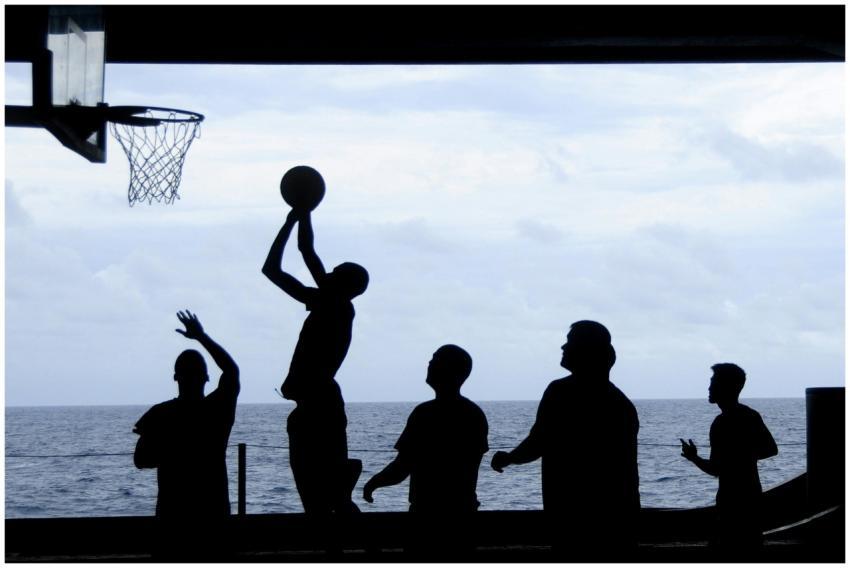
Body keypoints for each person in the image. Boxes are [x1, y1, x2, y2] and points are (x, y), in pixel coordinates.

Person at [490, 321, 639, 559]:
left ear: (587, 351)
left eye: (570, 342)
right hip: (617, 519)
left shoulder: (560, 392)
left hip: (570, 517)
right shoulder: (621, 404)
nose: (563, 346)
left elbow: (538, 441)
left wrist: (509, 458)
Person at [262, 208, 368, 515]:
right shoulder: (329, 303)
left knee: (328, 499)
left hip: (320, 407)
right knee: (325, 499)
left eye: (335, 273)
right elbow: (275, 268)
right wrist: (296, 218)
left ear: (344, 284)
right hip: (315, 406)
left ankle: (359, 555)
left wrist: (298, 216)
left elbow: (303, 252)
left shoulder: (336, 304)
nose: (328, 274)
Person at [363, 344, 489, 558]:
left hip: (426, 516)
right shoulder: (474, 414)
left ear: (451, 370)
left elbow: (402, 466)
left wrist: (372, 483)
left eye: (436, 359)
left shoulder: (425, 414)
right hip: (463, 515)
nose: (430, 364)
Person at [133, 310, 240, 559]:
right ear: (206, 378)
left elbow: (141, 460)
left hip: (173, 516)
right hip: (214, 514)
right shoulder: (218, 409)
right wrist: (202, 337)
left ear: (175, 378)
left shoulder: (159, 414)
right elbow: (231, 371)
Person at [680, 363, 778, 555]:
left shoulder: (721, 423)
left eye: (713, 382)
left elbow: (716, 469)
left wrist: (694, 458)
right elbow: (771, 449)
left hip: (730, 503)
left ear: (725, 386)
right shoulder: (750, 415)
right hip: (752, 498)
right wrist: (744, 457)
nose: (709, 388)